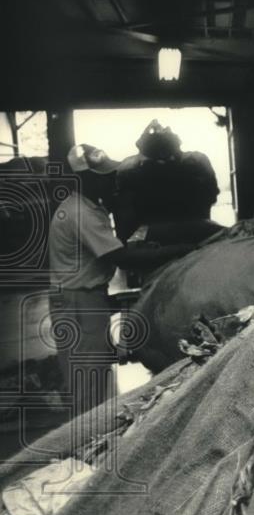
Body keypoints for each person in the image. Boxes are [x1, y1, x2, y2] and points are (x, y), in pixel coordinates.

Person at [48, 144, 193, 412]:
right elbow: (121, 259)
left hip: (83, 297)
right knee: (88, 377)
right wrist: (182, 250)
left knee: (97, 370)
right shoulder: (80, 213)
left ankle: (94, 435)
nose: (112, 181)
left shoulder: (89, 207)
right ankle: (86, 441)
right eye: (104, 176)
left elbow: (113, 249)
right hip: (78, 301)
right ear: (84, 178)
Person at [114, 120, 222, 245]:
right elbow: (212, 195)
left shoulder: (130, 169)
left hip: (153, 241)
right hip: (199, 235)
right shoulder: (197, 161)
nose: (164, 128)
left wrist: (145, 141)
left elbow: (125, 220)